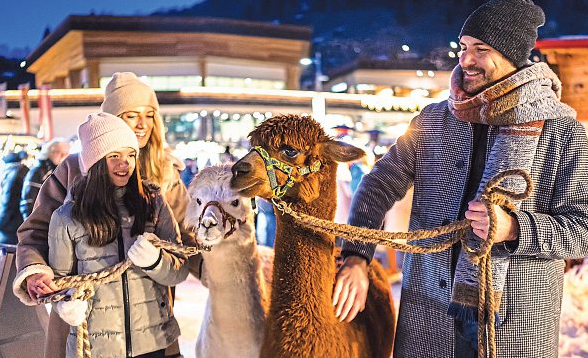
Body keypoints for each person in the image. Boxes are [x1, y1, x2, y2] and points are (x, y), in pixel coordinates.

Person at [334, 1, 588, 357]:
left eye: (481, 50)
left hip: (514, 326)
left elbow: (583, 229)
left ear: (513, 55)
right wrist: (356, 256)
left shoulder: (564, 133)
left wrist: (514, 228)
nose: (466, 60)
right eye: (464, 47)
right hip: (429, 314)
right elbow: (379, 184)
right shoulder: (433, 121)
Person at [14, 72, 196, 358]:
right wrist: (37, 273)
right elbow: (35, 233)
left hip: (150, 325)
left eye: (149, 115)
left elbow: (187, 240)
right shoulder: (73, 169)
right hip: (87, 324)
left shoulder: (166, 173)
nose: (142, 124)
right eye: (131, 115)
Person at [20, 138, 70, 220]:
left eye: (66, 154)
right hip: (41, 223)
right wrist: (32, 226)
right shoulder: (38, 171)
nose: (63, 157)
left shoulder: (61, 171)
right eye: (59, 153)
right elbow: (27, 202)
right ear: (50, 152)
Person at [0, 151, 29, 244]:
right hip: (18, 221)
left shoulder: (12, 174)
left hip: (10, 223)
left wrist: (1, 222)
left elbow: (7, 201)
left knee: (6, 252)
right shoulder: (24, 171)